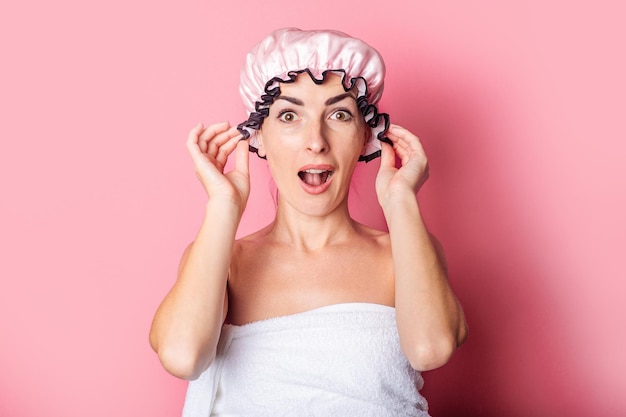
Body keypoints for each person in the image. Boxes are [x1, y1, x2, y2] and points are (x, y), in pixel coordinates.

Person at [150, 28, 467, 416]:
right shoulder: (225, 261)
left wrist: (400, 201)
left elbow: (431, 348)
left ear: (366, 136)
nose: (316, 140)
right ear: (258, 138)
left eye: (338, 114)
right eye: (289, 115)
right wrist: (222, 206)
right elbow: (182, 357)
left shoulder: (406, 251)